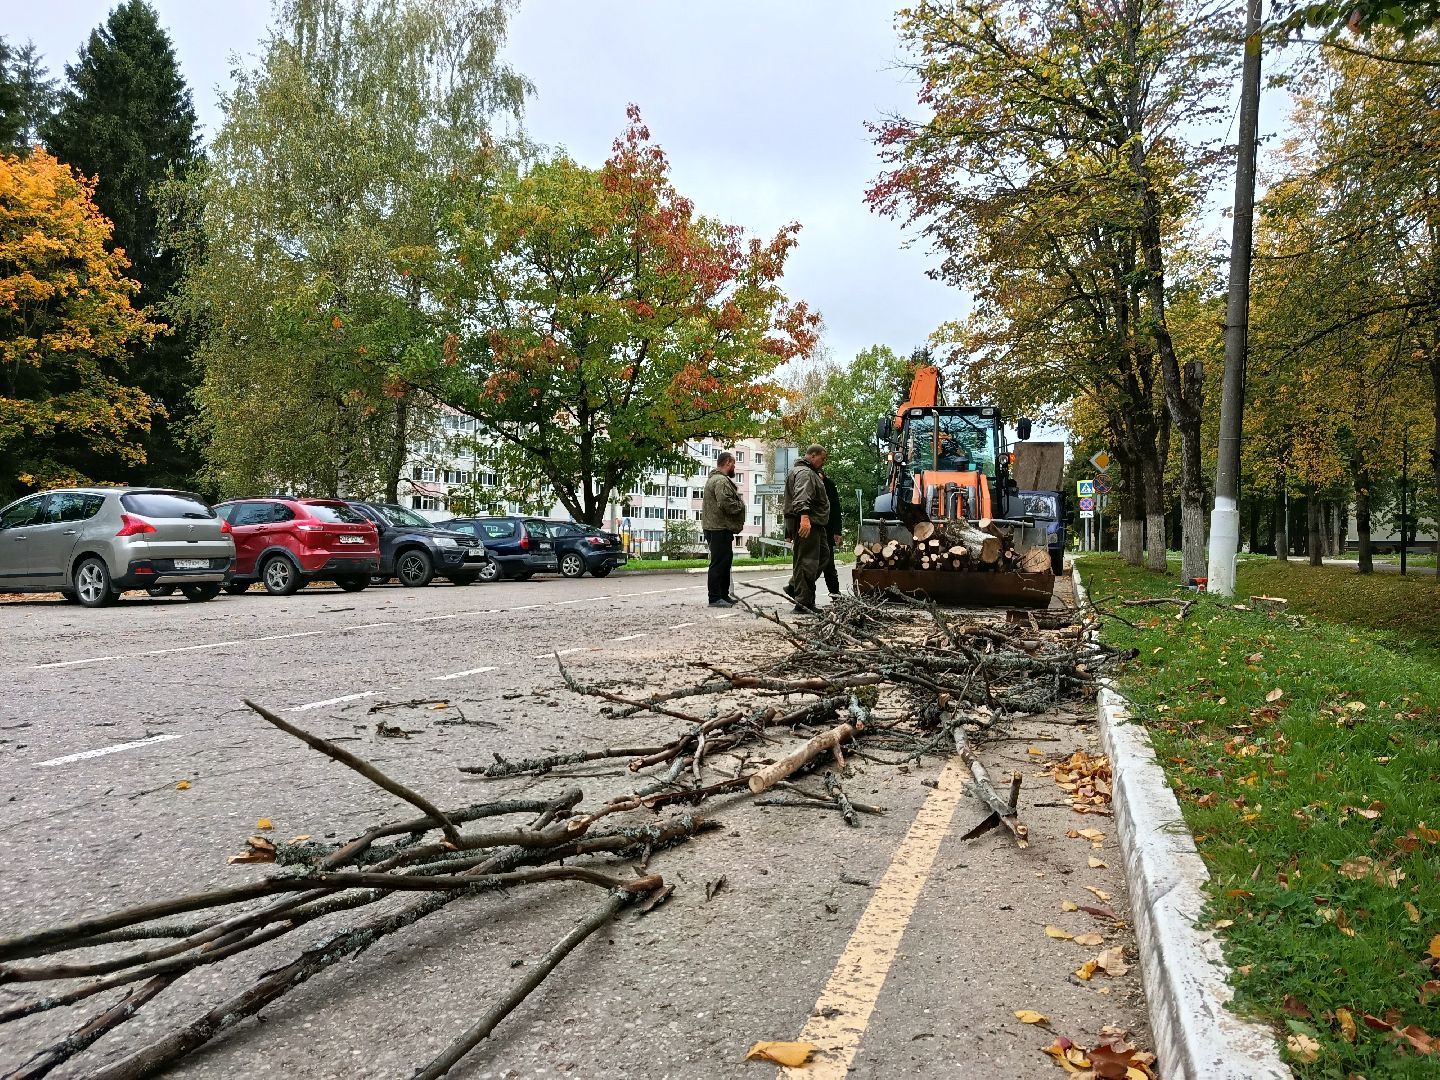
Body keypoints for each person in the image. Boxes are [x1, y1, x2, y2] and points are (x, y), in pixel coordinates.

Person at [782, 444, 830, 614]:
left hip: (815, 523)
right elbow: (802, 497)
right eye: (822, 458)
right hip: (807, 523)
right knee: (807, 562)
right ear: (812, 455)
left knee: (823, 556)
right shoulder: (804, 473)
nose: (823, 462)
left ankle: (795, 586)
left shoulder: (809, 472)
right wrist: (804, 518)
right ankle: (803, 603)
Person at [701, 451, 746, 607]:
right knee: (719, 563)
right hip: (718, 528)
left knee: (725, 562)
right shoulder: (720, 481)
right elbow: (725, 502)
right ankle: (715, 597)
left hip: (717, 527)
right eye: (734, 463)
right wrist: (740, 505)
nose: (734, 466)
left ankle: (723, 595)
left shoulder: (715, 479)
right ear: (727, 462)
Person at [820, 465, 843, 598]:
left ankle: (834, 591)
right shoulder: (807, 484)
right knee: (809, 564)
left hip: (827, 530)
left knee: (828, 563)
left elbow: (835, 509)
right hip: (810, 529)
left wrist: (837, 531)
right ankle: (805, 596)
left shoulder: (829, 485)